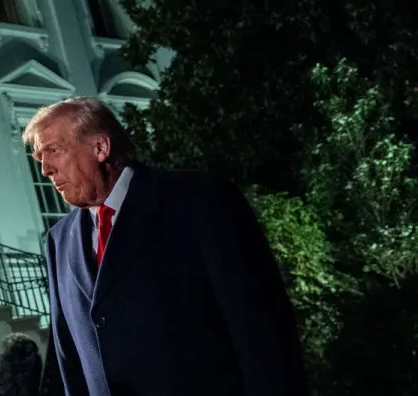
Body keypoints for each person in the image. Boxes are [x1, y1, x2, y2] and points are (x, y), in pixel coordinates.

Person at [27, 97, 305, 396]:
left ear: (100, 148)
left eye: (53, 151)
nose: (45, 170)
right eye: (39, 157)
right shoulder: (59, 240)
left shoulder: (200, 200)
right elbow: (69, 359)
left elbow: (261, 330)